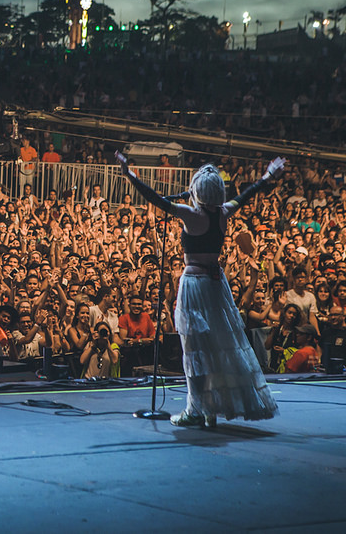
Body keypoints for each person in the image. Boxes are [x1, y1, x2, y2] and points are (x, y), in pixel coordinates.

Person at [117, 151, 283, 427]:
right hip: (216, 286)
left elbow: (155, 199)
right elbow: (248, 194)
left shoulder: (191, 215)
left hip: (194, 284)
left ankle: (196, 408)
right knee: (218, 348)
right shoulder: (224, 212)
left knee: (194, 350)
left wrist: (130, 175)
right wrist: (267, 176)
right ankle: (210, 410)